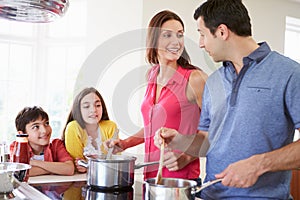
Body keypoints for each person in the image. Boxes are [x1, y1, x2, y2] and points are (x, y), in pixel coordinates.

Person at [154, 0, 300, 199]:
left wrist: (259, 164)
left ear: (222, 32)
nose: (200, 43)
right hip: (210, 195)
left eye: (202, 34)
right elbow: (207, 141)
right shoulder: (214, 81)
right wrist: (180, 140)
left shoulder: (290, 74)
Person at [106, 10, 207, 182]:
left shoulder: (195, 79)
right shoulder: (152, 75)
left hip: (181, 181)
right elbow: (153, 125)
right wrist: (125, 143)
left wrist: (186, 157)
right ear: (154, 40)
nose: (176, 42)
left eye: (180, 35)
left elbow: (215, 132)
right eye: (167, 35)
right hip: (151, 178)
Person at [62, 87, 118, 173]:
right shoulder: (73, 127)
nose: (93, 110)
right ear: (78, 110)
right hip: (79, 180)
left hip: (107, 178)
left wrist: (88, 165)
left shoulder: (110, 126)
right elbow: (77, 165)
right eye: (86, 106)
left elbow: (115, 161)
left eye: (98, 105)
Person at [10, 106, 74, 177]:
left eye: (46, 123)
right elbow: (20, 172)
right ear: (22, 134)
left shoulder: (56, 144)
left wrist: (34, 163)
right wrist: (55, 169)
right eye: (36, 127)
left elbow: (69, 169)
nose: (44, 131)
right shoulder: (17, 147)